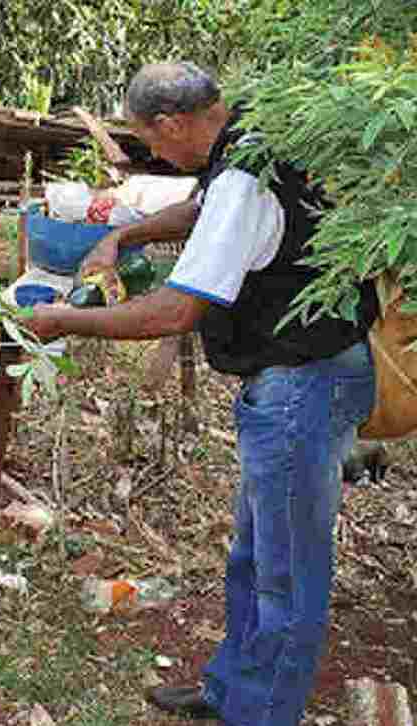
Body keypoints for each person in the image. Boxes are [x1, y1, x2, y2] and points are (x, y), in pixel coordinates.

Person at [27, 62, 377, 726]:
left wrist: (65, 321)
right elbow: (204, 206)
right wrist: (124, 233)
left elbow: (173, 313)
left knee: (288, 575)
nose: (155, 156)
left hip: (304, 384)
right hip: (292, 380)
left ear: (175, 122)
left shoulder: (245, 173)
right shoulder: (248, 139)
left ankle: (261, 713)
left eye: (151, 143)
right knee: (254, 554)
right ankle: (233, 692)